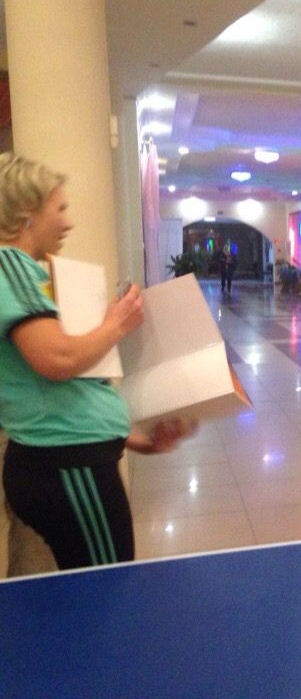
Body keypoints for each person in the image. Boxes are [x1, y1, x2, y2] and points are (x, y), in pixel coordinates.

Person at [0, 152, 194, 571]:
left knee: (86, 587)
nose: (69, 222)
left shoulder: (31, 274)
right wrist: (116, 324)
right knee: (108, 590)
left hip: (74, 460)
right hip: (67, 465)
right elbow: (57, 359)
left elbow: (64, 389)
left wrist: (134, 439)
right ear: (26, 215)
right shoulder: (10, 268)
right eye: (60, 209)